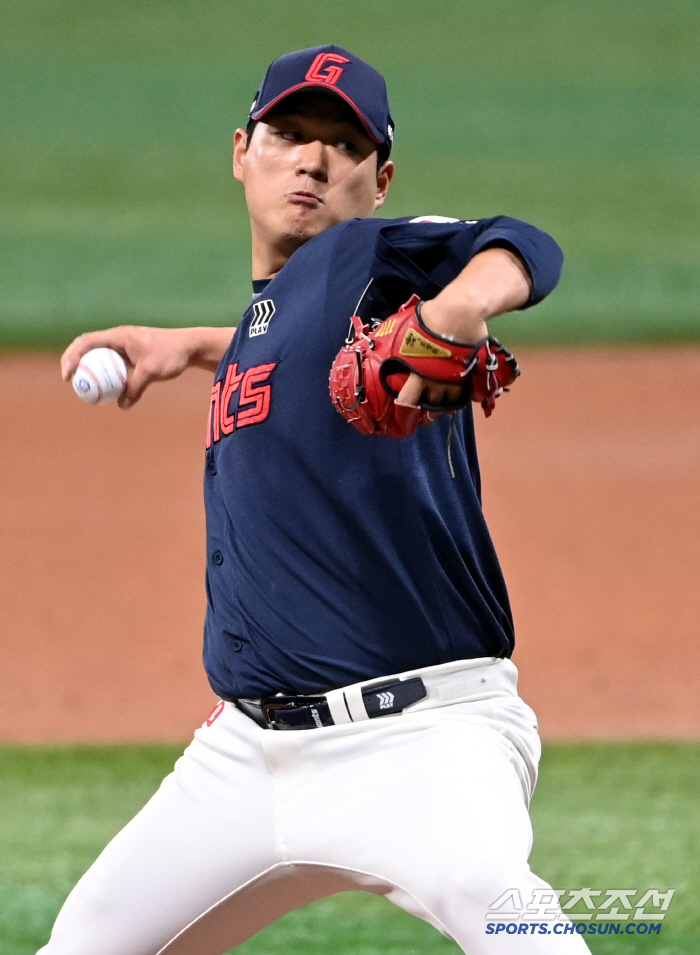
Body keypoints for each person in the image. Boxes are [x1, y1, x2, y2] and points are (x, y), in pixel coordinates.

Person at [47, 46, 590, 955]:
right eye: (289, 133)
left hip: (422, 739)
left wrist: (457, 307)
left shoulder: (368, 255)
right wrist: (187, 345)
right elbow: (286, 348)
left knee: (516, 926)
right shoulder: (280, 312)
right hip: (244, 757)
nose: (311, 159)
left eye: (344, 146)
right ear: (241, 152)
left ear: (379, 181)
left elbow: (525, 245)